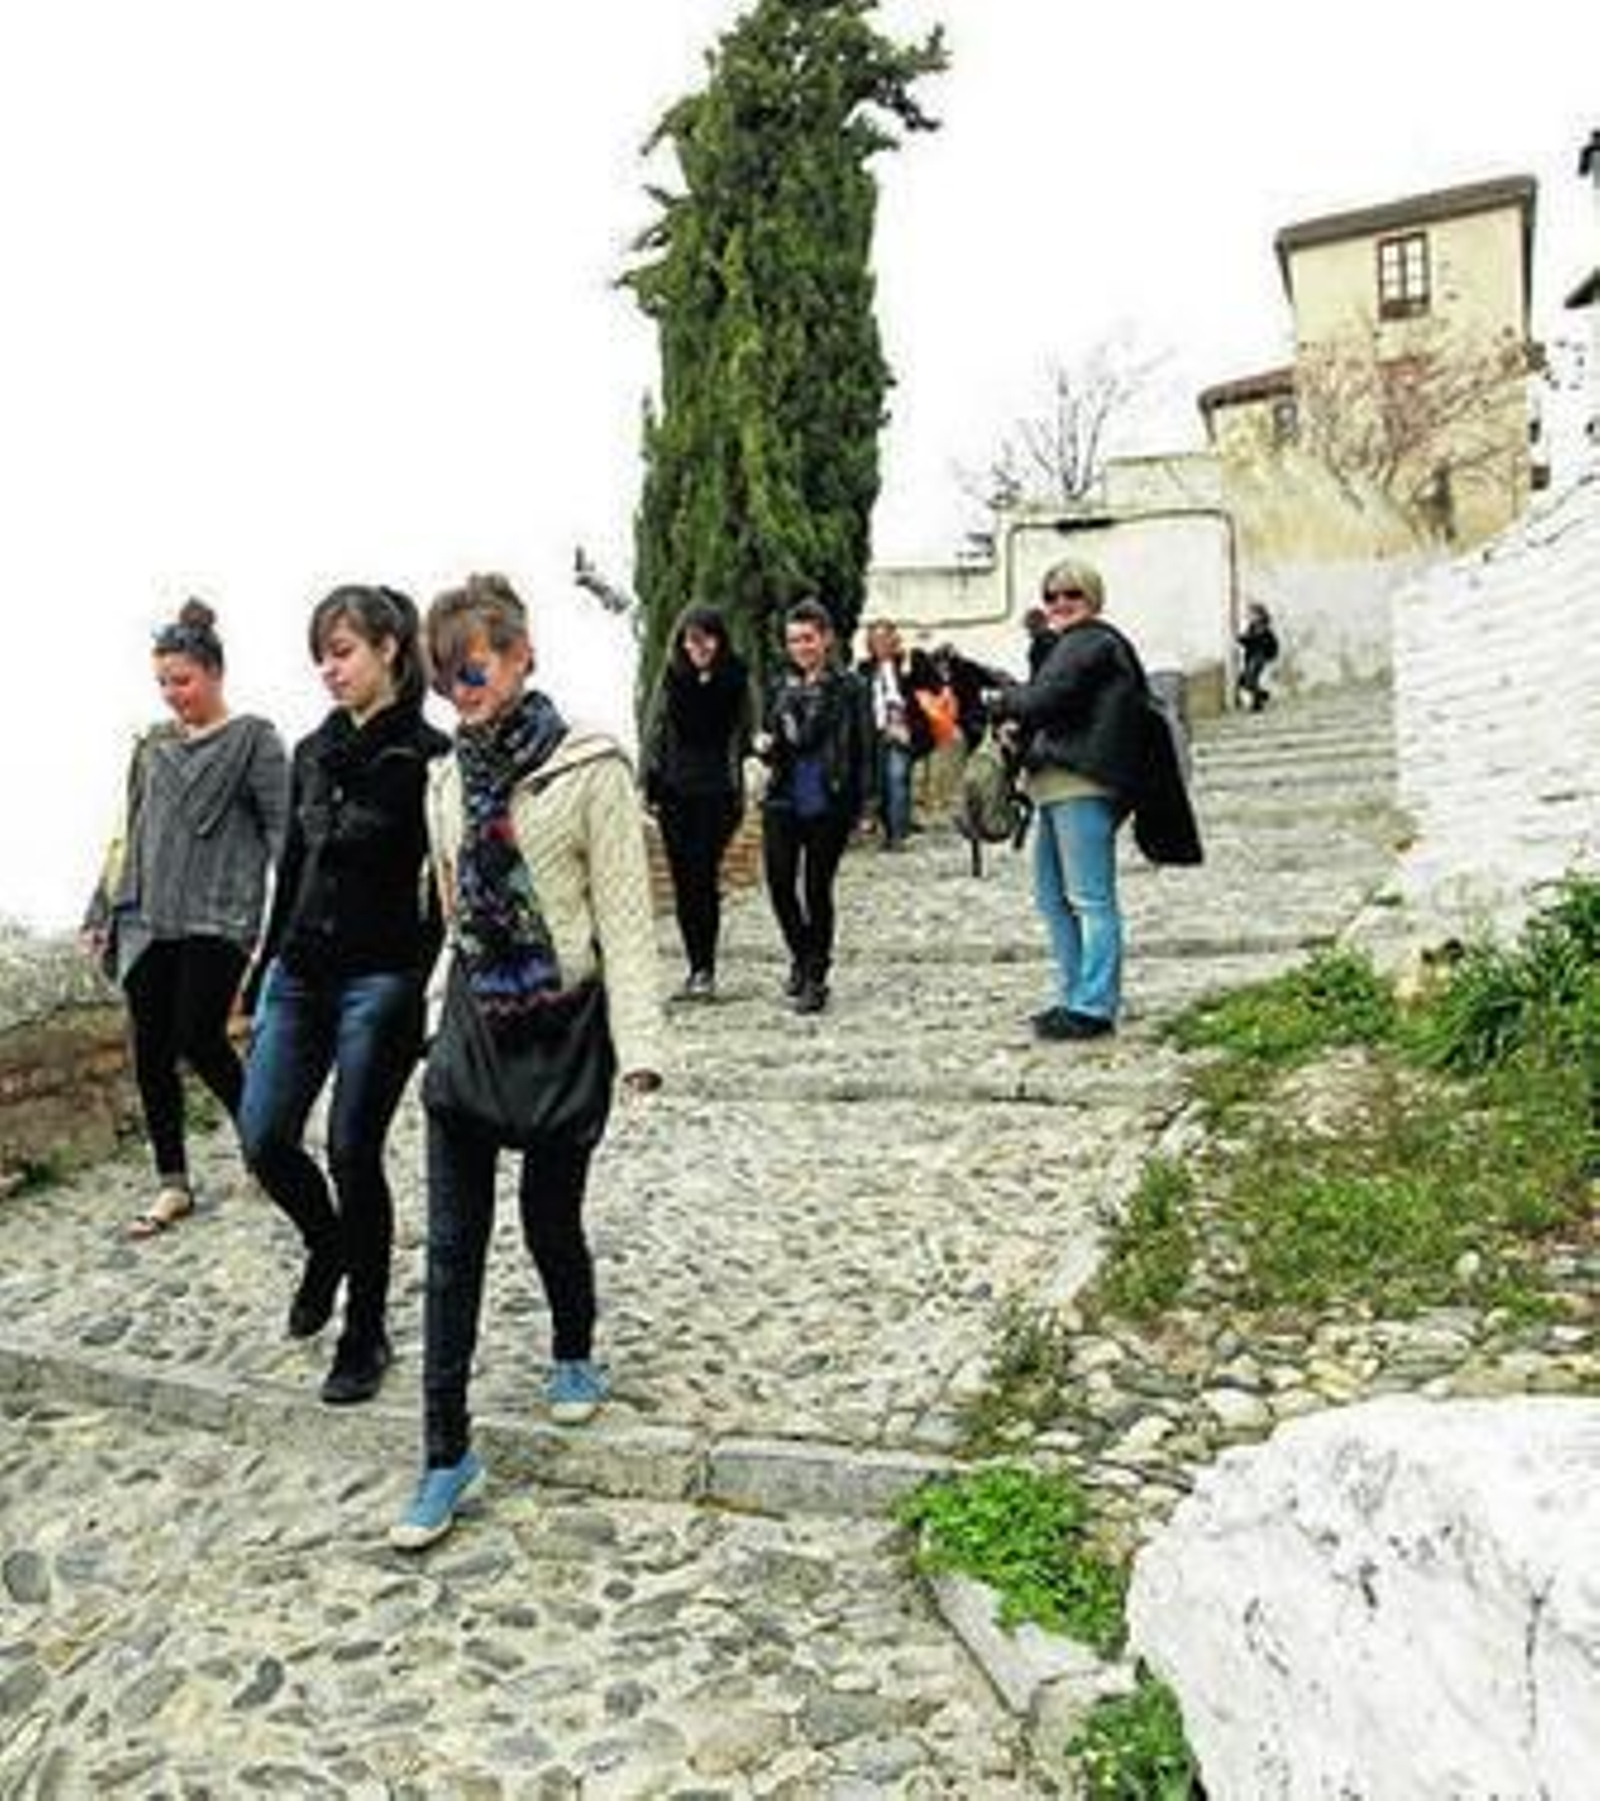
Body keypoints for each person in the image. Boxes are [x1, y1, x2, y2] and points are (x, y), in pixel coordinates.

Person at [391, 573, 663, 1552]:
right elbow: (451, 910)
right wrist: (429, 1017)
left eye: (472, 670)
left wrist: (641, 1049)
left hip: (563, 1025)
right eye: (444, 678)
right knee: (452, 1250)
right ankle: (444, 1451)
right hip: (473, 1025)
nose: (459, 692)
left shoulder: (590, 767)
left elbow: (624, 916)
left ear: (520, 656)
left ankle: (574, 1347)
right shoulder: (444, 779)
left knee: (550, 1216)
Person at [238, 585, 449, 1405]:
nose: (329, 669)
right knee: (263, 1137)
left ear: (389, 648)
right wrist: (263, 967)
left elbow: (448, 880)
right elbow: (291, 868)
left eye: (343, 651)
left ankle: (366, 1327)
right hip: (300, 972)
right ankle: (327, 1244)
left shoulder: (431, 755)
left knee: (354, 1150)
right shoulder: (311, 751)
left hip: (382, 977)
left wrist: (427, 981)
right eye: (321, 656)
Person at [82, 599, 289, 1238]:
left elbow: (284, 831)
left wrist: (290, 918)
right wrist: (100, 906)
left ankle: (265, 1146)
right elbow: (131, 829)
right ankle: (172, 1183)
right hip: (146, 913)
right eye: (163, 683)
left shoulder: (254, 740)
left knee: (200, 1035)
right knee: (150, 1050)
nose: (173, 694)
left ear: (215, 672)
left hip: (219, 914)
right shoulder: (152, 745)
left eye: (183, 680)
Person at [987, 559, 1200, 1042]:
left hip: (1082, 782)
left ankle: (1094, 1005)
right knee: (1053, 899)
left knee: (1089, 899)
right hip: (1058, 783)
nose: (1060, 603)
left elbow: (1044, 699)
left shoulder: (1091, 642)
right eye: (1052, 596)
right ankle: (1074, 996)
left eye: (1072, 594)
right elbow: (1054, 700)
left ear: (1092, 598)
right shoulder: (1071, 645)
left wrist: (1000, 700)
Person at [755, 598, 870, 1016]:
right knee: (779, 883)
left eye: (807, 639)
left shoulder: (850, 687)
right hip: (784, 794)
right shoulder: (780, 686)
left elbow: (864, 748)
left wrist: (866, 805)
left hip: (828, 796)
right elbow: (773, 737)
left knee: (817, 888)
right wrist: (764, 744)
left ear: (826, 639)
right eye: (793, 640)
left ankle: (816, 975)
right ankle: (801, 956)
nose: (800, 647)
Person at [641, 605, 754, 999]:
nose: (698, 648)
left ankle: (705, 969)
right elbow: (653, 730)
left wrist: (752, 771)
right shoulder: (672, 678)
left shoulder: (736, 678)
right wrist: (646, 783)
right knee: (683, 882)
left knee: (703, 878)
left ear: (719, 640)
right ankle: (696, 967)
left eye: (705, 639)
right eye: (691, 641)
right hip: (675, 793)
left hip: (719, 793)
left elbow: (749, 732)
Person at [857, 620, 932, 851]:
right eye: (876, 640)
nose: (881, 644)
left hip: (901, 731)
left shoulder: (907, 664)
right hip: (874, 732)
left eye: (885, 638)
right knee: (879, 783)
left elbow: (929, 685)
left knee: (897, 779)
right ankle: (890, 829)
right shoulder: (864, 669)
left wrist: (912, 660)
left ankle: (897, 835)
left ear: (894, 641)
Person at [1237, 602, 1280, 712]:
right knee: (1245, 681)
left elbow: (1256, 641)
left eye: (1252, 614)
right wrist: (1243, 639)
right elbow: (1250, 641)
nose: (1250, 616)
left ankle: (1258, 703)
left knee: (1250, 680)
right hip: (1251, 657)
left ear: (1259, 616)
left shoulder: (1262, 628)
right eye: (1250, 614)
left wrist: (1243, 640)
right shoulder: (1252, 627)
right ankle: (1262, 696)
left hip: (1258, 658)